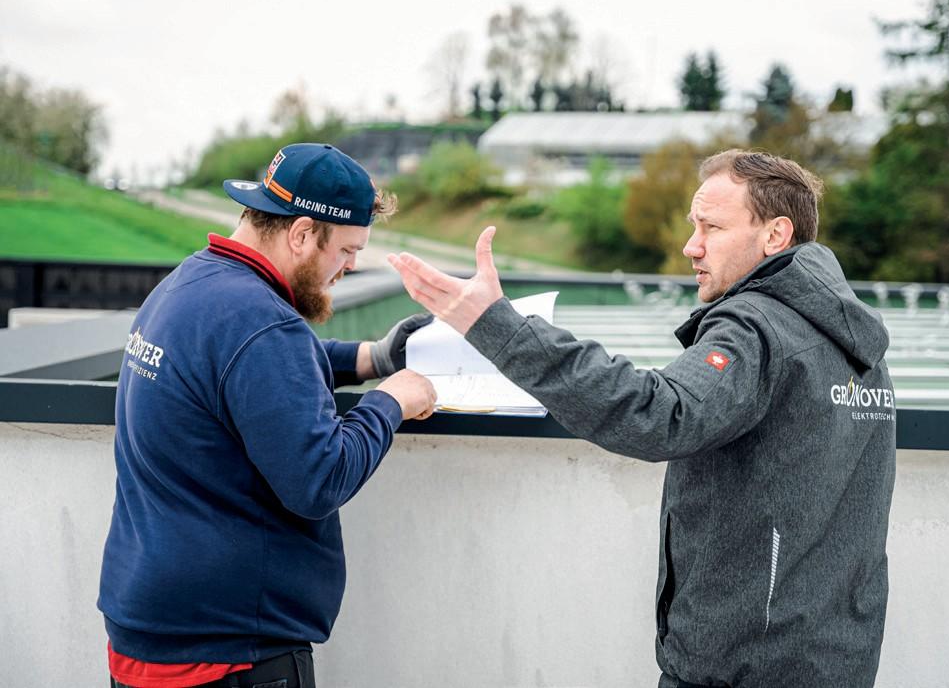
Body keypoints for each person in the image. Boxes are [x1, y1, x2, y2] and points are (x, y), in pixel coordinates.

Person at [389, 149, 896, 688]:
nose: (690, 246)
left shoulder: (757, 328)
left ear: (775, 236)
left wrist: (499, 327)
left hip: (743, 667)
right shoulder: (853, 340)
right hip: (837, 658)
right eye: (692, 226)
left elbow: (660, 412)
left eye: (712, 227)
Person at [98, 143, 437, 688]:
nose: (349, 267)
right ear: (302, 233)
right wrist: (390, 401)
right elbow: (318, 479)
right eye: (347, 250)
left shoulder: (191, 285)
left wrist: (371, 358)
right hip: (229, 652)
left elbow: (255, 372)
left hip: (150, 627)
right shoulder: (261, 323)